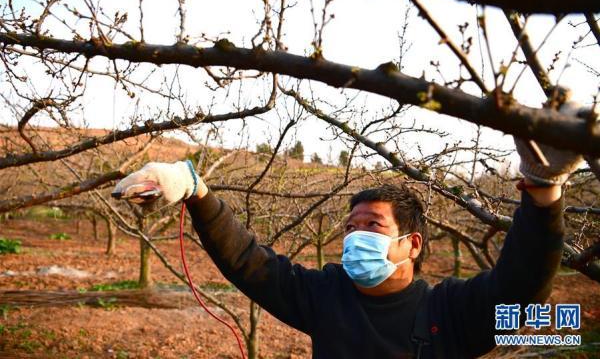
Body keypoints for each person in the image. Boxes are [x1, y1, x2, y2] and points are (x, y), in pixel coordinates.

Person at [113, 130, 583, 358]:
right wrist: (198, 191)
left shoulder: (450, 313)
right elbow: (249, 262)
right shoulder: (325, 296)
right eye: (351, 226)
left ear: (412, 243)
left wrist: (543, 194)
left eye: (373, 226)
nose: (356, 236)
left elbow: (521, 288)